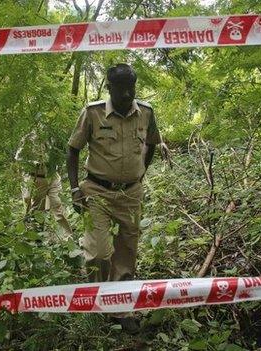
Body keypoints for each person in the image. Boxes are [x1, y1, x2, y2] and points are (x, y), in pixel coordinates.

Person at [66, 63, 161, 333]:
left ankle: (120, 308)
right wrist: (75, 190)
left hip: (130, 193)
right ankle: (97, 301)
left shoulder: (146, 113)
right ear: (110, 88)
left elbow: (152, 144)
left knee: (126, 251)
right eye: (122, 89)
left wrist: (139, 175)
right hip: (97, 191)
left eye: (132, 88)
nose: (128, 94)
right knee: (98, 253)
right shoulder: (92, 113)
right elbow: (72, 151)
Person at [15, 125, 72, 238]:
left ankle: (68, 237)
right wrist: (33, 162)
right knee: (37, 210)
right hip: (36, 178)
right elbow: (19, 158)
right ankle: (36, 236)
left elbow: (63, 154)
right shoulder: (28, 139)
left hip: (52, 177)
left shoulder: (54, 137)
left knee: (57, 205)